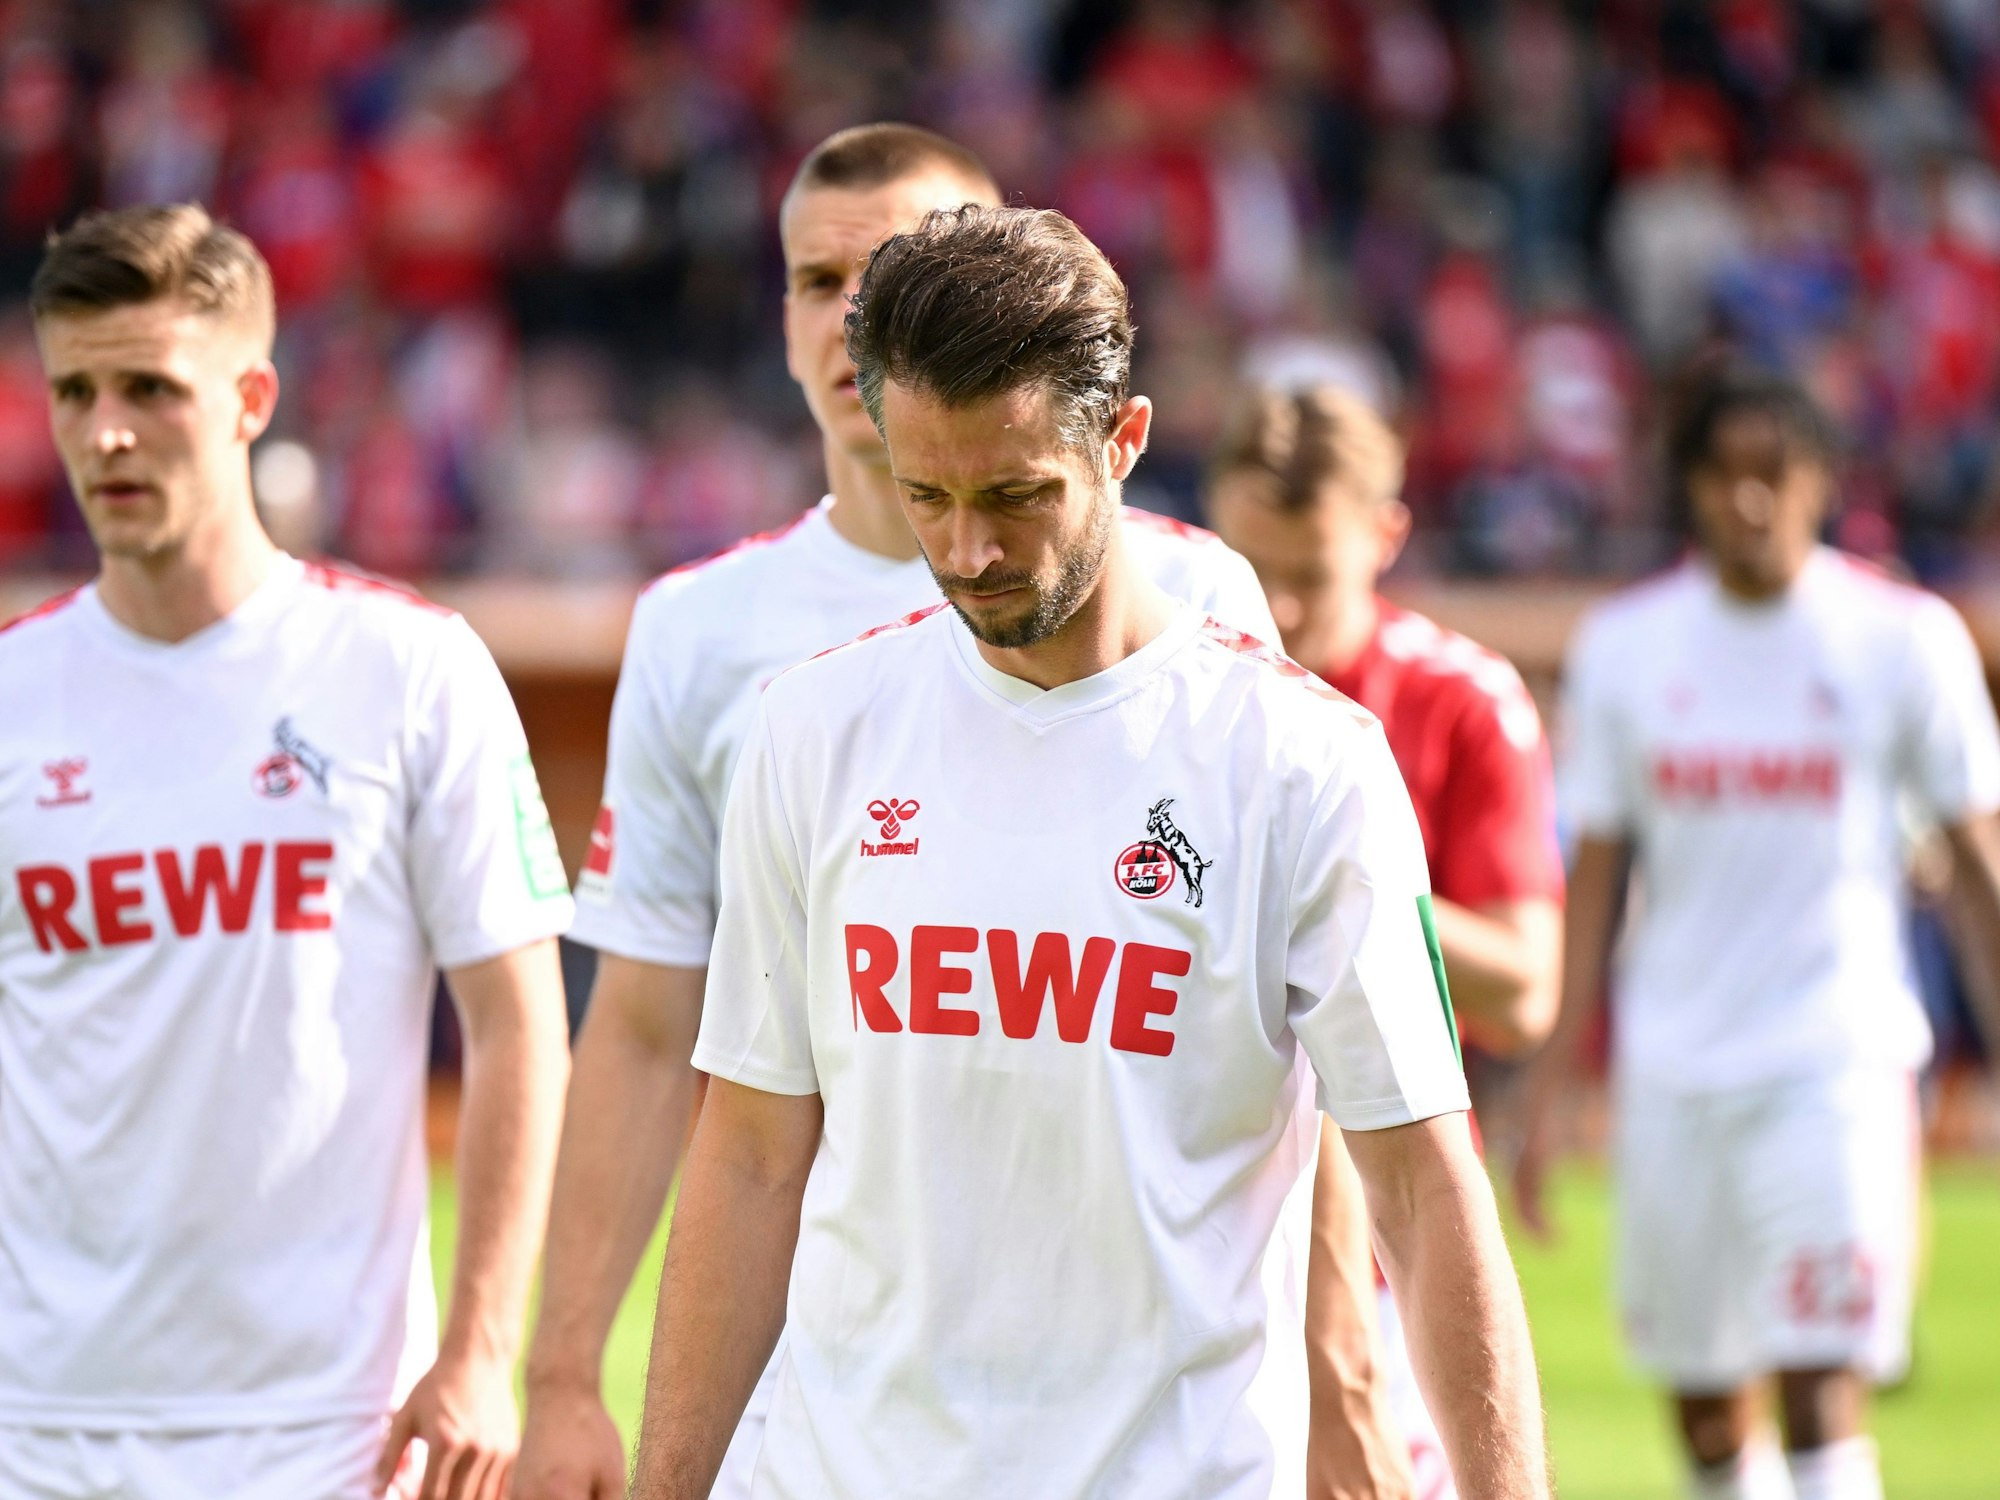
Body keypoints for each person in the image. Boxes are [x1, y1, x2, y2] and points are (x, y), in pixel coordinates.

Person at [516, 124, 1422, 1500]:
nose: (855, 318)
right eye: (820, 284)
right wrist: (566, 1373)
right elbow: (649, 1032)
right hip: (846, 1413)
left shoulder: (1199, 600)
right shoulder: (709, 635)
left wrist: (1339, 1357)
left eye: (892, 276)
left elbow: (1304, 1039)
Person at [0, 205, 573, 1500]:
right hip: (36, 1428)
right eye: (76, 390)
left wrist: (486, 1349)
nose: (105, 433)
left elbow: (520, 1025)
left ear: (253, 396)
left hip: (334, 1434)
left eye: (151, 387)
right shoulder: (13, 695)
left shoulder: (410, 671)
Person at [1514, 365, 2000, 1500]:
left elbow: (1974, 859)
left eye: (1771, 474)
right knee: (1701, 1405)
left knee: (1818, 1382)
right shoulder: (1626, 648)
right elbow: (1591, 879)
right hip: (1674, 1066)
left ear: (1819, 482)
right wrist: (1547, 1085)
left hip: (1832, 1059)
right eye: (1720, 474)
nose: (1746, 500)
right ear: (1685, 487)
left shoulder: (1900, 641)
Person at [1206, 382, 1565, 1499]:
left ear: (1386, 534)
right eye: (1248, 567)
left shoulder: (1461, 701)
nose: (1279, 610)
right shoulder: (1176, 700)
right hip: (1191, 1238)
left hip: (1384, 1247)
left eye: (1307, 577)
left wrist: (1331, 886)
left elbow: (1523, 985)